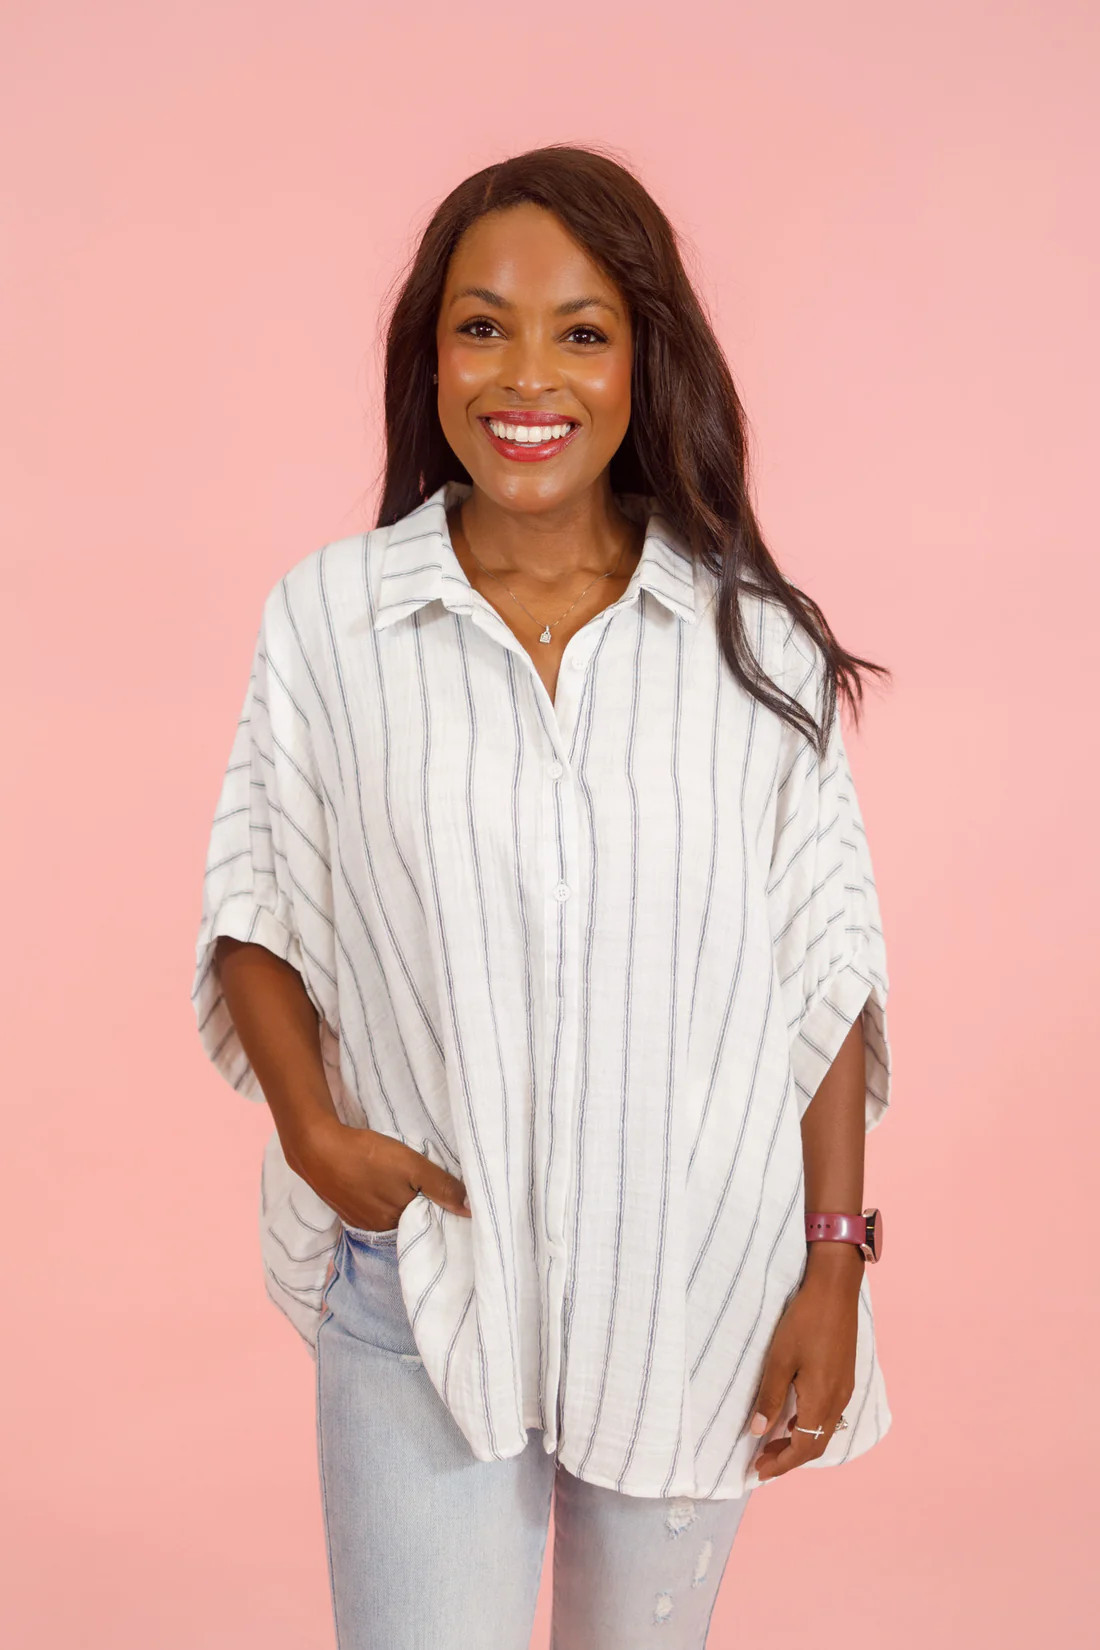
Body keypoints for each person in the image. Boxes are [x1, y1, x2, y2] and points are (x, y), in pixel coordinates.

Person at [191, 143, 894, 1650]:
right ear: (431, 355)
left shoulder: (751, 645)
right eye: (482, 325)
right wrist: (313, 1133)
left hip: (691, 1287)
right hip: (425, 1277)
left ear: (645, 361)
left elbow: (824, 967)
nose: (528, 376)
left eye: (581, 331)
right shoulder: (332, 619)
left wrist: (835, 1258)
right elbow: (261, 895)